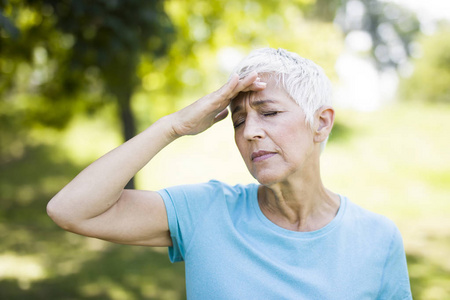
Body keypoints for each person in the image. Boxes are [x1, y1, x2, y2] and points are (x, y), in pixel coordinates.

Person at [47, 48, 412, 299]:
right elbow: (71, 209)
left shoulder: (378, 240)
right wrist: (173, 126)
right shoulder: (205, 211)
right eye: (238, 121)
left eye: (268, 113)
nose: (250, 131)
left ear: (320, 122)